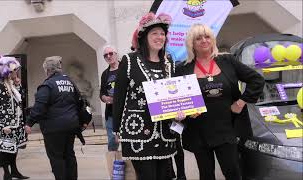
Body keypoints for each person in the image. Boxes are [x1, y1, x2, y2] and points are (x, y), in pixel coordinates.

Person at [175, 24, 265, 180]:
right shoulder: (183, 68)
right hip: (199, 132)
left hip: (227, 129)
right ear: (192, 43)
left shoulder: (227, 60)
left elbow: (256, 80)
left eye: (207, 36)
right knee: (206, 175)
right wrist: (182, 113)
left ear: (213, 39)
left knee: (233, 172)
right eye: (198, 38)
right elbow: (177, 100)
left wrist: (241, 101)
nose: (204, 40)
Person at [112, 12, 177, 180]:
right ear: (144, 37)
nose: (159, 37)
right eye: (154, 33)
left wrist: (181, 112)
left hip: (164, 132)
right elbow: (119, 97)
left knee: (165, 176)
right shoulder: (129, 60)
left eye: (162, 33)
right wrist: (116, 128)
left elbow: (176, 95)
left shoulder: (170, 62)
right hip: (138, 131)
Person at [25, 56, 83, 180]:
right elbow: (80, 101)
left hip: (54, 130)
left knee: (57, 158)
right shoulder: (70, 81)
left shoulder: (47, 85)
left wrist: (29, 122)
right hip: (71, 126)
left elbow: (39, 107)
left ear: (47, 70)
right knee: (69, 155)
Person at [0, 56, 29, 180]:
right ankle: (6, 173)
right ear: (6, 72)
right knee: (6, 149)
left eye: (16, 70)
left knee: (14, 148)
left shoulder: (11, 85)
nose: (16, 72)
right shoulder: (0, 86)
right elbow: (1, 107)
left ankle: (14, 171)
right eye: (13, 70)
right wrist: (4, 125)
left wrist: (18, 85)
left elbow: (21, 99)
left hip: (17, 122)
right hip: (8, 124)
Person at [100, 45, 120, 151]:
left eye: (111, 53)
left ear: (116, 54)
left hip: (124, 111)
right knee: (112, 141)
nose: (108, 56)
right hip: (111, 113)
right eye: (105, 55)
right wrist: (104, 98)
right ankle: (115, 165)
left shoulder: (124, 69)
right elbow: (102, 92)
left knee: (127, 141)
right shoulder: (105, 74)